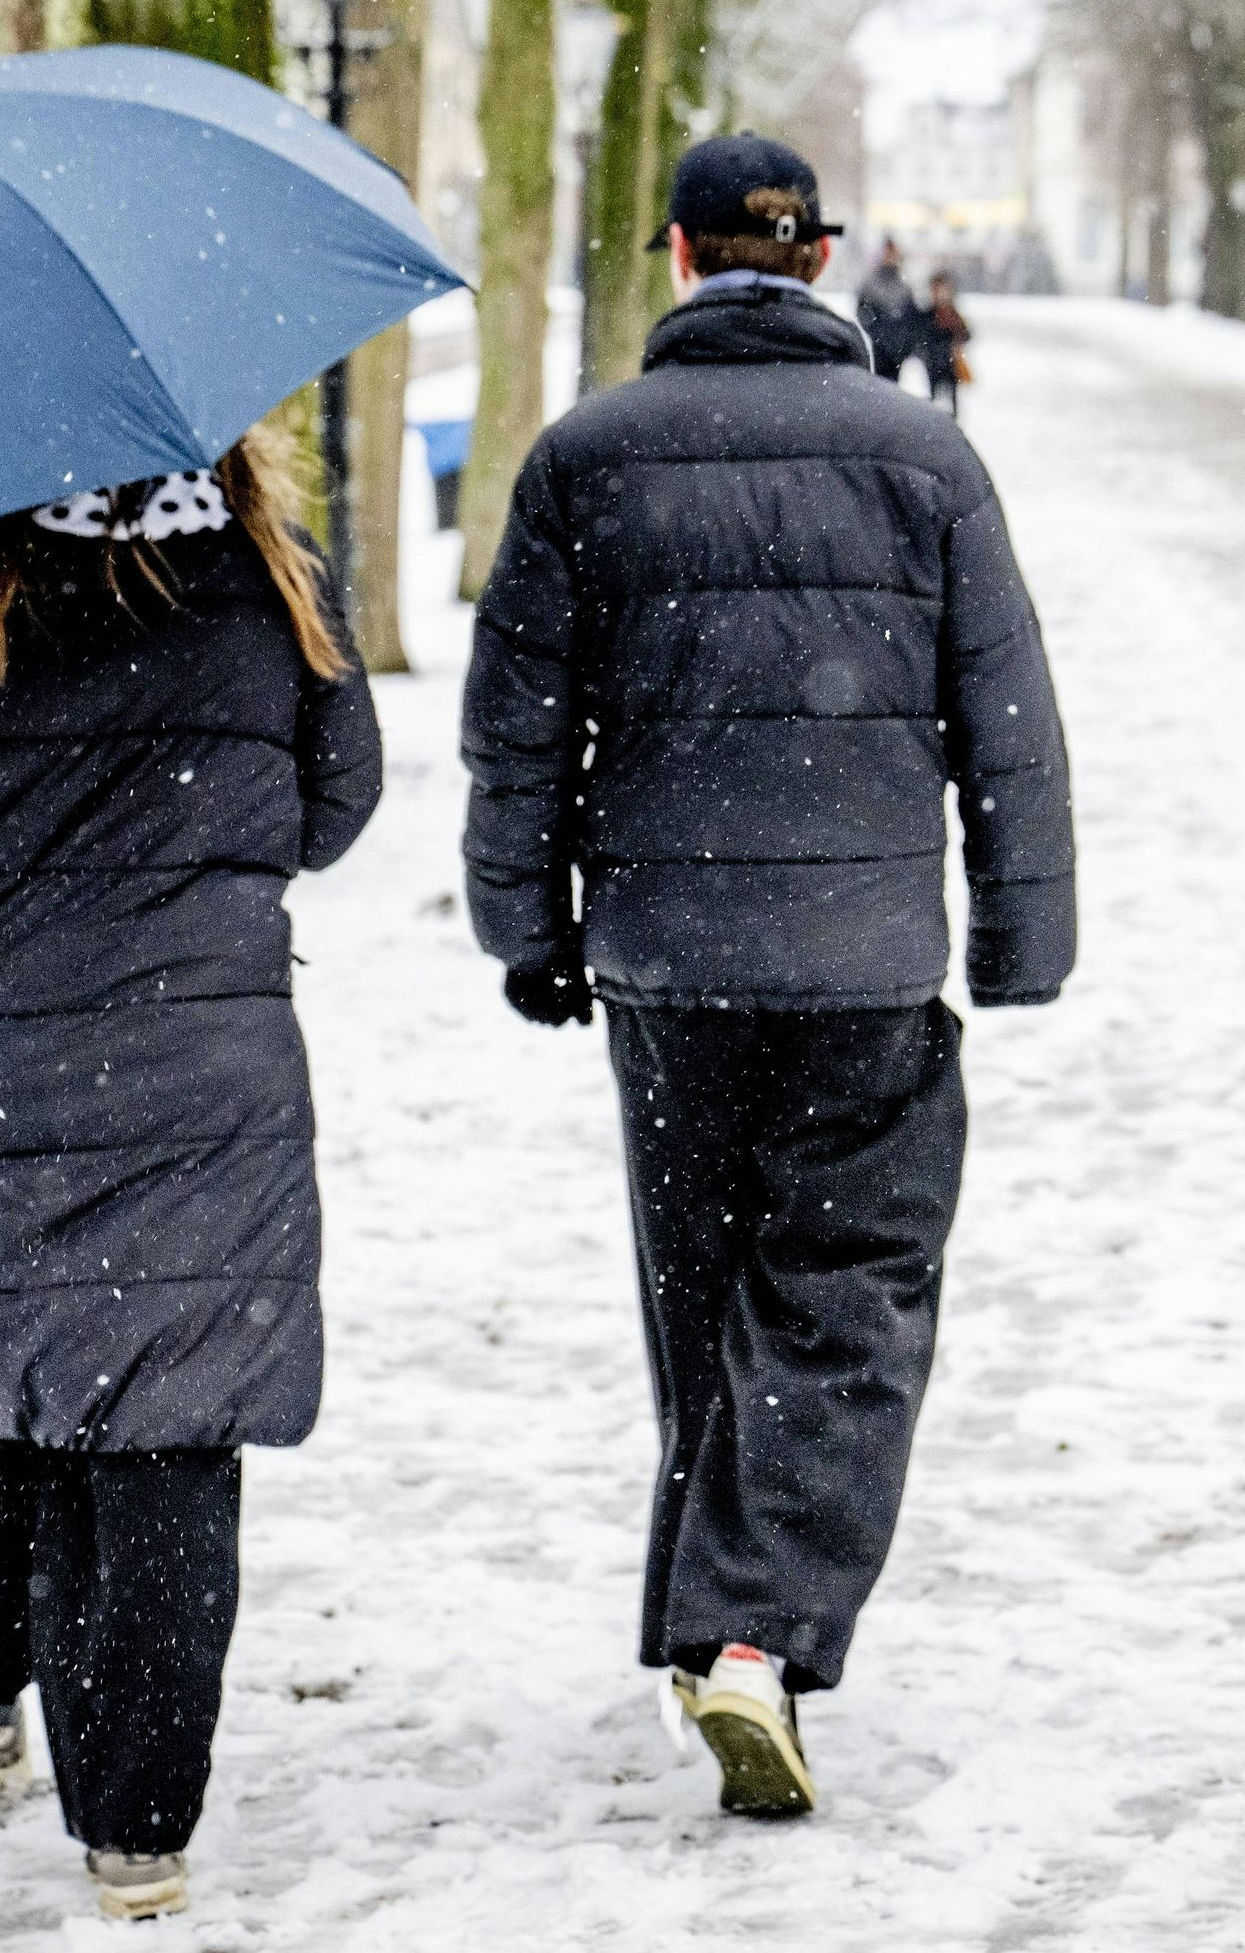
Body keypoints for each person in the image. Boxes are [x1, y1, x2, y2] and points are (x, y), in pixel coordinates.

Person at [460, 134, 1075, 1820]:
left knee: (705, 1295)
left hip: (667, 962)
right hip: (867, 961)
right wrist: (1025, 936)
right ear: (815, 267)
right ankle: (754, 1641)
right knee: (851, 1300)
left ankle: (711, 1621)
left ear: (676, 257)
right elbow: (1007, 725)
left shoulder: (586, 460)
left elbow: (514, 728)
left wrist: (528, 928)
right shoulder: (921, 458)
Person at [0, 432, 378, 1923]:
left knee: (16, 1385)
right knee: (170, 1424)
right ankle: (137, 1822)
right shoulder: (273, 577)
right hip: (203, 1065)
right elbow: (334, 807)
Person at [852, 240, 923, 383]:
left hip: (898, 347)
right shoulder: (871, 282)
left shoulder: (904, 284)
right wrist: (879, 333)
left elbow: (912, 317)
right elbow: (863, 312)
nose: (890, 256)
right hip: (879, 346)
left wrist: (905, 341)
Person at [922, 270, 973, 415]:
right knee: (933, 399)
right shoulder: (928, 314)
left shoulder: (953, 313)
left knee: (952, 401)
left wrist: (956, 342)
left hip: (950, 364)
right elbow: (921, 337)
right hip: (933, 362)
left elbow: (967, 334)